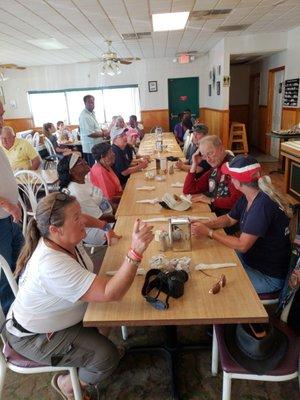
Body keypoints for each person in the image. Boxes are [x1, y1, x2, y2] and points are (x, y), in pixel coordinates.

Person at [4, 192, 154, 399]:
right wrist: (135, 253)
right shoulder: (51, 264)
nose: (82, 220)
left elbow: (84, 220)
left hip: (57, 318)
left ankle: (87, 349)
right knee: (106, 356)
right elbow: (112, 292)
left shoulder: (64, 238)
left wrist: (105, 227)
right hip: (33, 337)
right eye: (76, 218)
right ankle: (66, 383)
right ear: (55, 230)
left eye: (79, 213)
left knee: (108, 311)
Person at [191, 155, 291, 294]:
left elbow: (242, 245)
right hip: (251, 261)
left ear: (238, 182)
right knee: (212, 261)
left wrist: (209, 233)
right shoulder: (249, 195)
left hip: (267, 277)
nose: (229, 180)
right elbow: (229, 218)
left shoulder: (262, 205)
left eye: (230, 177)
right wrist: (205, 224)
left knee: (211, 283)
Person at [57, 154, 120, 246]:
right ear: (71, 171)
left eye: (82, 159)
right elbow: (98, 218)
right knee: (129, 227)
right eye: (79, 162)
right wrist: (120, 217)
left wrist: (116, 209)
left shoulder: (83, 180)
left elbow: (102, 199)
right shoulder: (76, 191)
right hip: (95, 228)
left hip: (107, 217)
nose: (84, 161)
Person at [0, 101, 24, 315]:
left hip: (9, 218)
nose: (2, 120)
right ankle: (11, 324)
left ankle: (24, 311)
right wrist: (7, 204)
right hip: (1, 220)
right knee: (5, 276)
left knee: (21, 265)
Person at [183, 135, 241, 218]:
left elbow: (237, 202)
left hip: (228, 220)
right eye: (204, 156)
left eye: (210, 153)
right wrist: (194, 164)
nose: (208, 159)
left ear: (221, 149)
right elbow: (189, 190)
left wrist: (211, 200)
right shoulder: (216, 167)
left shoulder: (234, 168)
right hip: (213, 213)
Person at [79, 95, 108, 167]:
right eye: (90, 102)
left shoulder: (92, 114)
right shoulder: (84, 116)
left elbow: (95, 128)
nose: (92, 104)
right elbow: (90, 133)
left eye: (93, 102)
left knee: (98, 166)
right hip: (91, 147)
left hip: (96, 145)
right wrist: (103, 134)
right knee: (93, 168)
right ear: (85, 103)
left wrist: (102, 132)